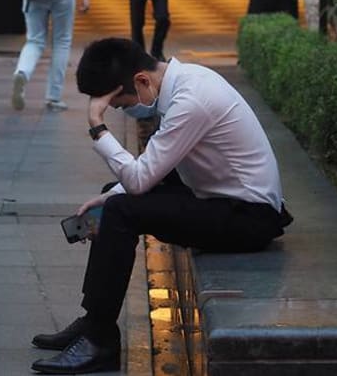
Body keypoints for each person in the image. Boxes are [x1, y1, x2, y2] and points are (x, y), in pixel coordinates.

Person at [29, 38, 291, 374]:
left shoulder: (191, 100)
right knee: (115, 197)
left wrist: (97, 125)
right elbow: (152, 172)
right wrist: (109, 197)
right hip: (219, 200)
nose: (125, 110)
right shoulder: (184, 82)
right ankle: (94, 322)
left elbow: (141, 180)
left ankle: (100, 340)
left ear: (141, 80)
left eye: (121, 104)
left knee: (122, 209)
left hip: (248, 219)